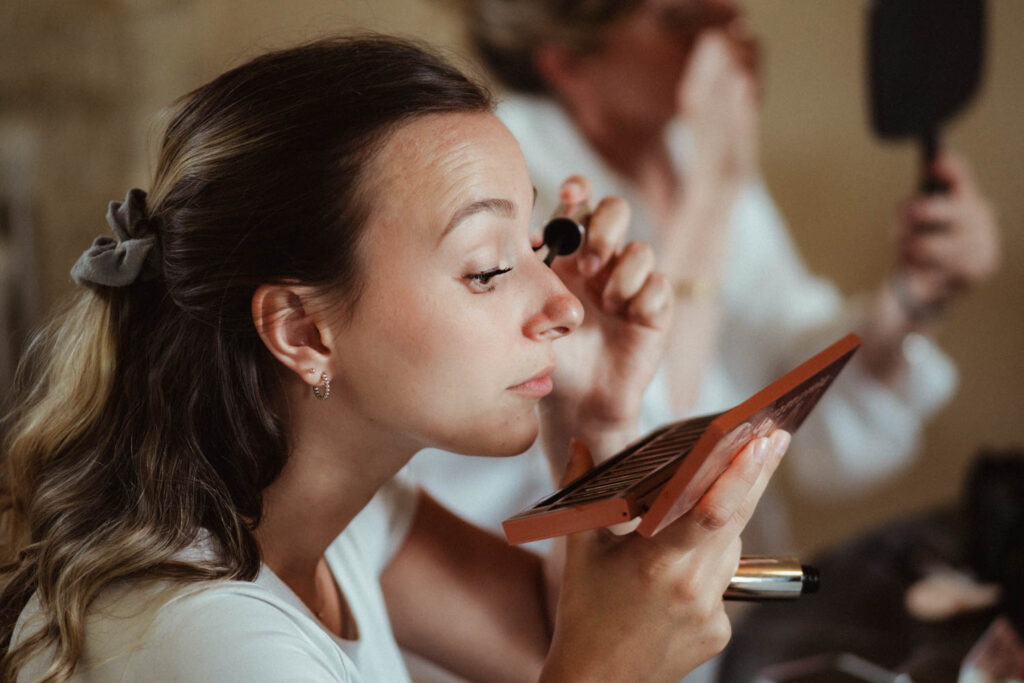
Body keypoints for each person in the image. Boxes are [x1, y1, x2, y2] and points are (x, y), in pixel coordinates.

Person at [0, 35, 792, 683]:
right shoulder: (204, 641)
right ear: (303, 333)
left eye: (536, 246)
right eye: (487, 268)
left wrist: (593, 418)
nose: (564, 304)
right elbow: (591, 658)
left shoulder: (328, 516)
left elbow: (547, 636)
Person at [408, 0, 1001, 554]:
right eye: (682, 20)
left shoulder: (691, 149)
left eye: (724, 8)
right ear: (570, 65)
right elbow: (643, 473)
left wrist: (913, 297)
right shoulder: (508, 193)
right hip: (567, 602)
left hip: (719, 602)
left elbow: (795, 384)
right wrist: (714, 190)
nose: (729, 34)